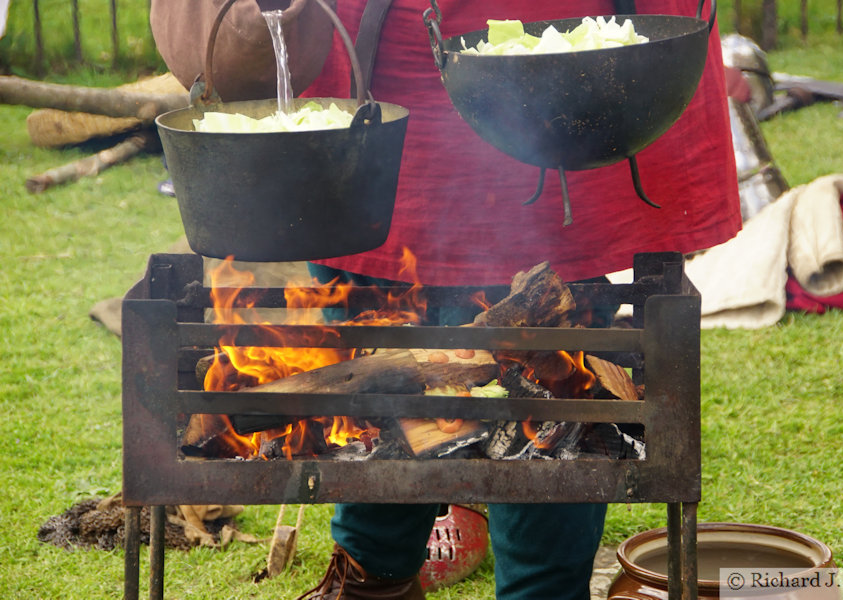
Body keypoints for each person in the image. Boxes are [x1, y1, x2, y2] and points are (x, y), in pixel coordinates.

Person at [153, 1, 741, 598]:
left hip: (567, 87)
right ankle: (372, 579)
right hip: (375, 72)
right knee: (369, 367)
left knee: (550, 380)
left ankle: (541, 590)